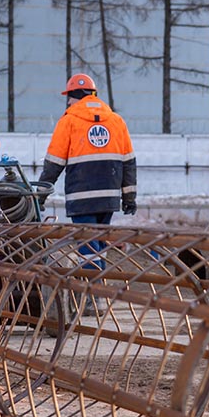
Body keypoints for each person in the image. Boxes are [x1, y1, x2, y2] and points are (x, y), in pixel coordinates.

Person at [38, 73, 136, 272]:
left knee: (87, 249)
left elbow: (53, 164)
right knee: (99, 245)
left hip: (82, 198)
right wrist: (129, 197)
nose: (68, 102)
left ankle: (93, 295)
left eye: (69, 98)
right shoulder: (116, 121)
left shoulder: (69, 121)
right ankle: (100, 292)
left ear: (75, 96)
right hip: (108, 198)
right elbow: (128, 163)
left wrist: (39, 195)